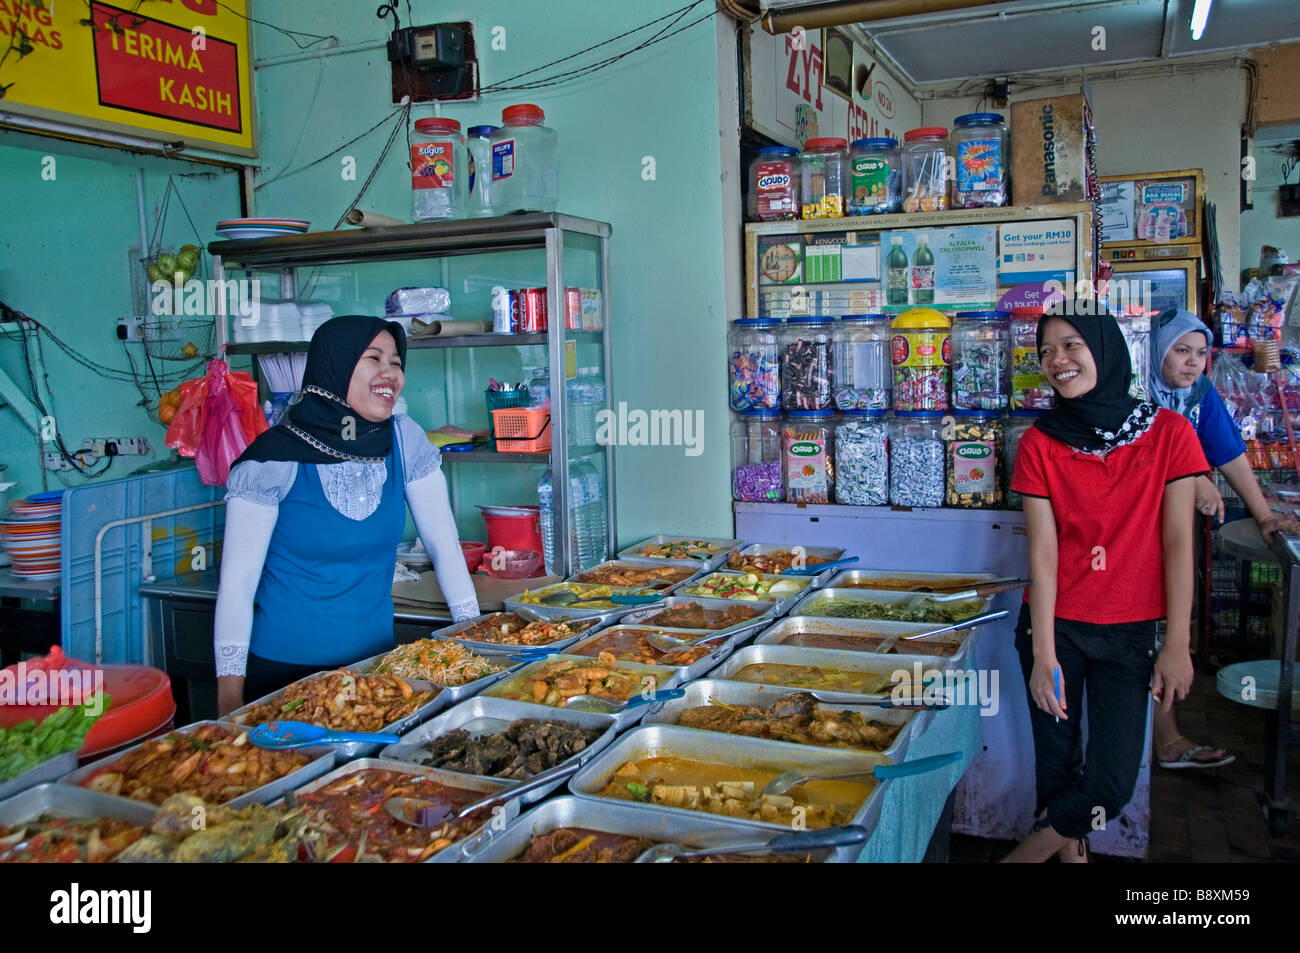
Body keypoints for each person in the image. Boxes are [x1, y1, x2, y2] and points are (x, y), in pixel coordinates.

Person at [1003, 304, 1208, 863]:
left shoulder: (1170, 434)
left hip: (1129, 633)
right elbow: (1043, 554)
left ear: (1106, 349)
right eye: (1046, 351)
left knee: (1111, 784)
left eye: (1071, 345)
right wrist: (1043, 654)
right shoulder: (1041, 443)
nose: (1057, 361)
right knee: (1057, 767)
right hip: (1054, 626)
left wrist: (1178, 645)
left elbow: (1178, 545)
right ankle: (1072, 858)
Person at [213, 315, 480, 716]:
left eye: (396, 362)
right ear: (333, 367)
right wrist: (228, 705)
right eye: (373, 359)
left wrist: (474, 647)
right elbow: (237, 585)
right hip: (285, 678)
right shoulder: (274, 460)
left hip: (375, 671)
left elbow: (445, 549)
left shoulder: (404, 440)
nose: (390, 373)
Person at [1147, 308, 1300, 769]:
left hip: (1171, 532)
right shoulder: (1135, 393)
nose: (1192, 363)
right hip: (1133, 532)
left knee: (1170, 623)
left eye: (1201, 353)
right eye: (1181, 351)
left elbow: (1231, 454)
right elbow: (1149, 454)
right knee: (1152, 630)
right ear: (1155, 352)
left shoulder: (1195, 393)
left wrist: (1265, 515)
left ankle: (1162, 739)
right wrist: (1192, 476)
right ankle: (1164, 740)